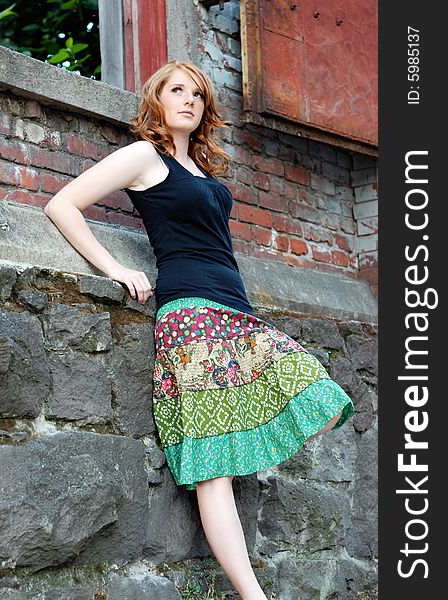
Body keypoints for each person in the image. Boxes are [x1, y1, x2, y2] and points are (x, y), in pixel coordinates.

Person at [44, 59, 355, 600]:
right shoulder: (146, 156)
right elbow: (62, 204)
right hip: (189, 314)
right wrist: (116, 268)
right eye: (176, 91)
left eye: (197, 94)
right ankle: (253, 595)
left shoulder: (202, 173)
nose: (188, 100)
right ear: (158, 101)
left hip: (233, 311)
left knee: (322, 398)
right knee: (215, 470)